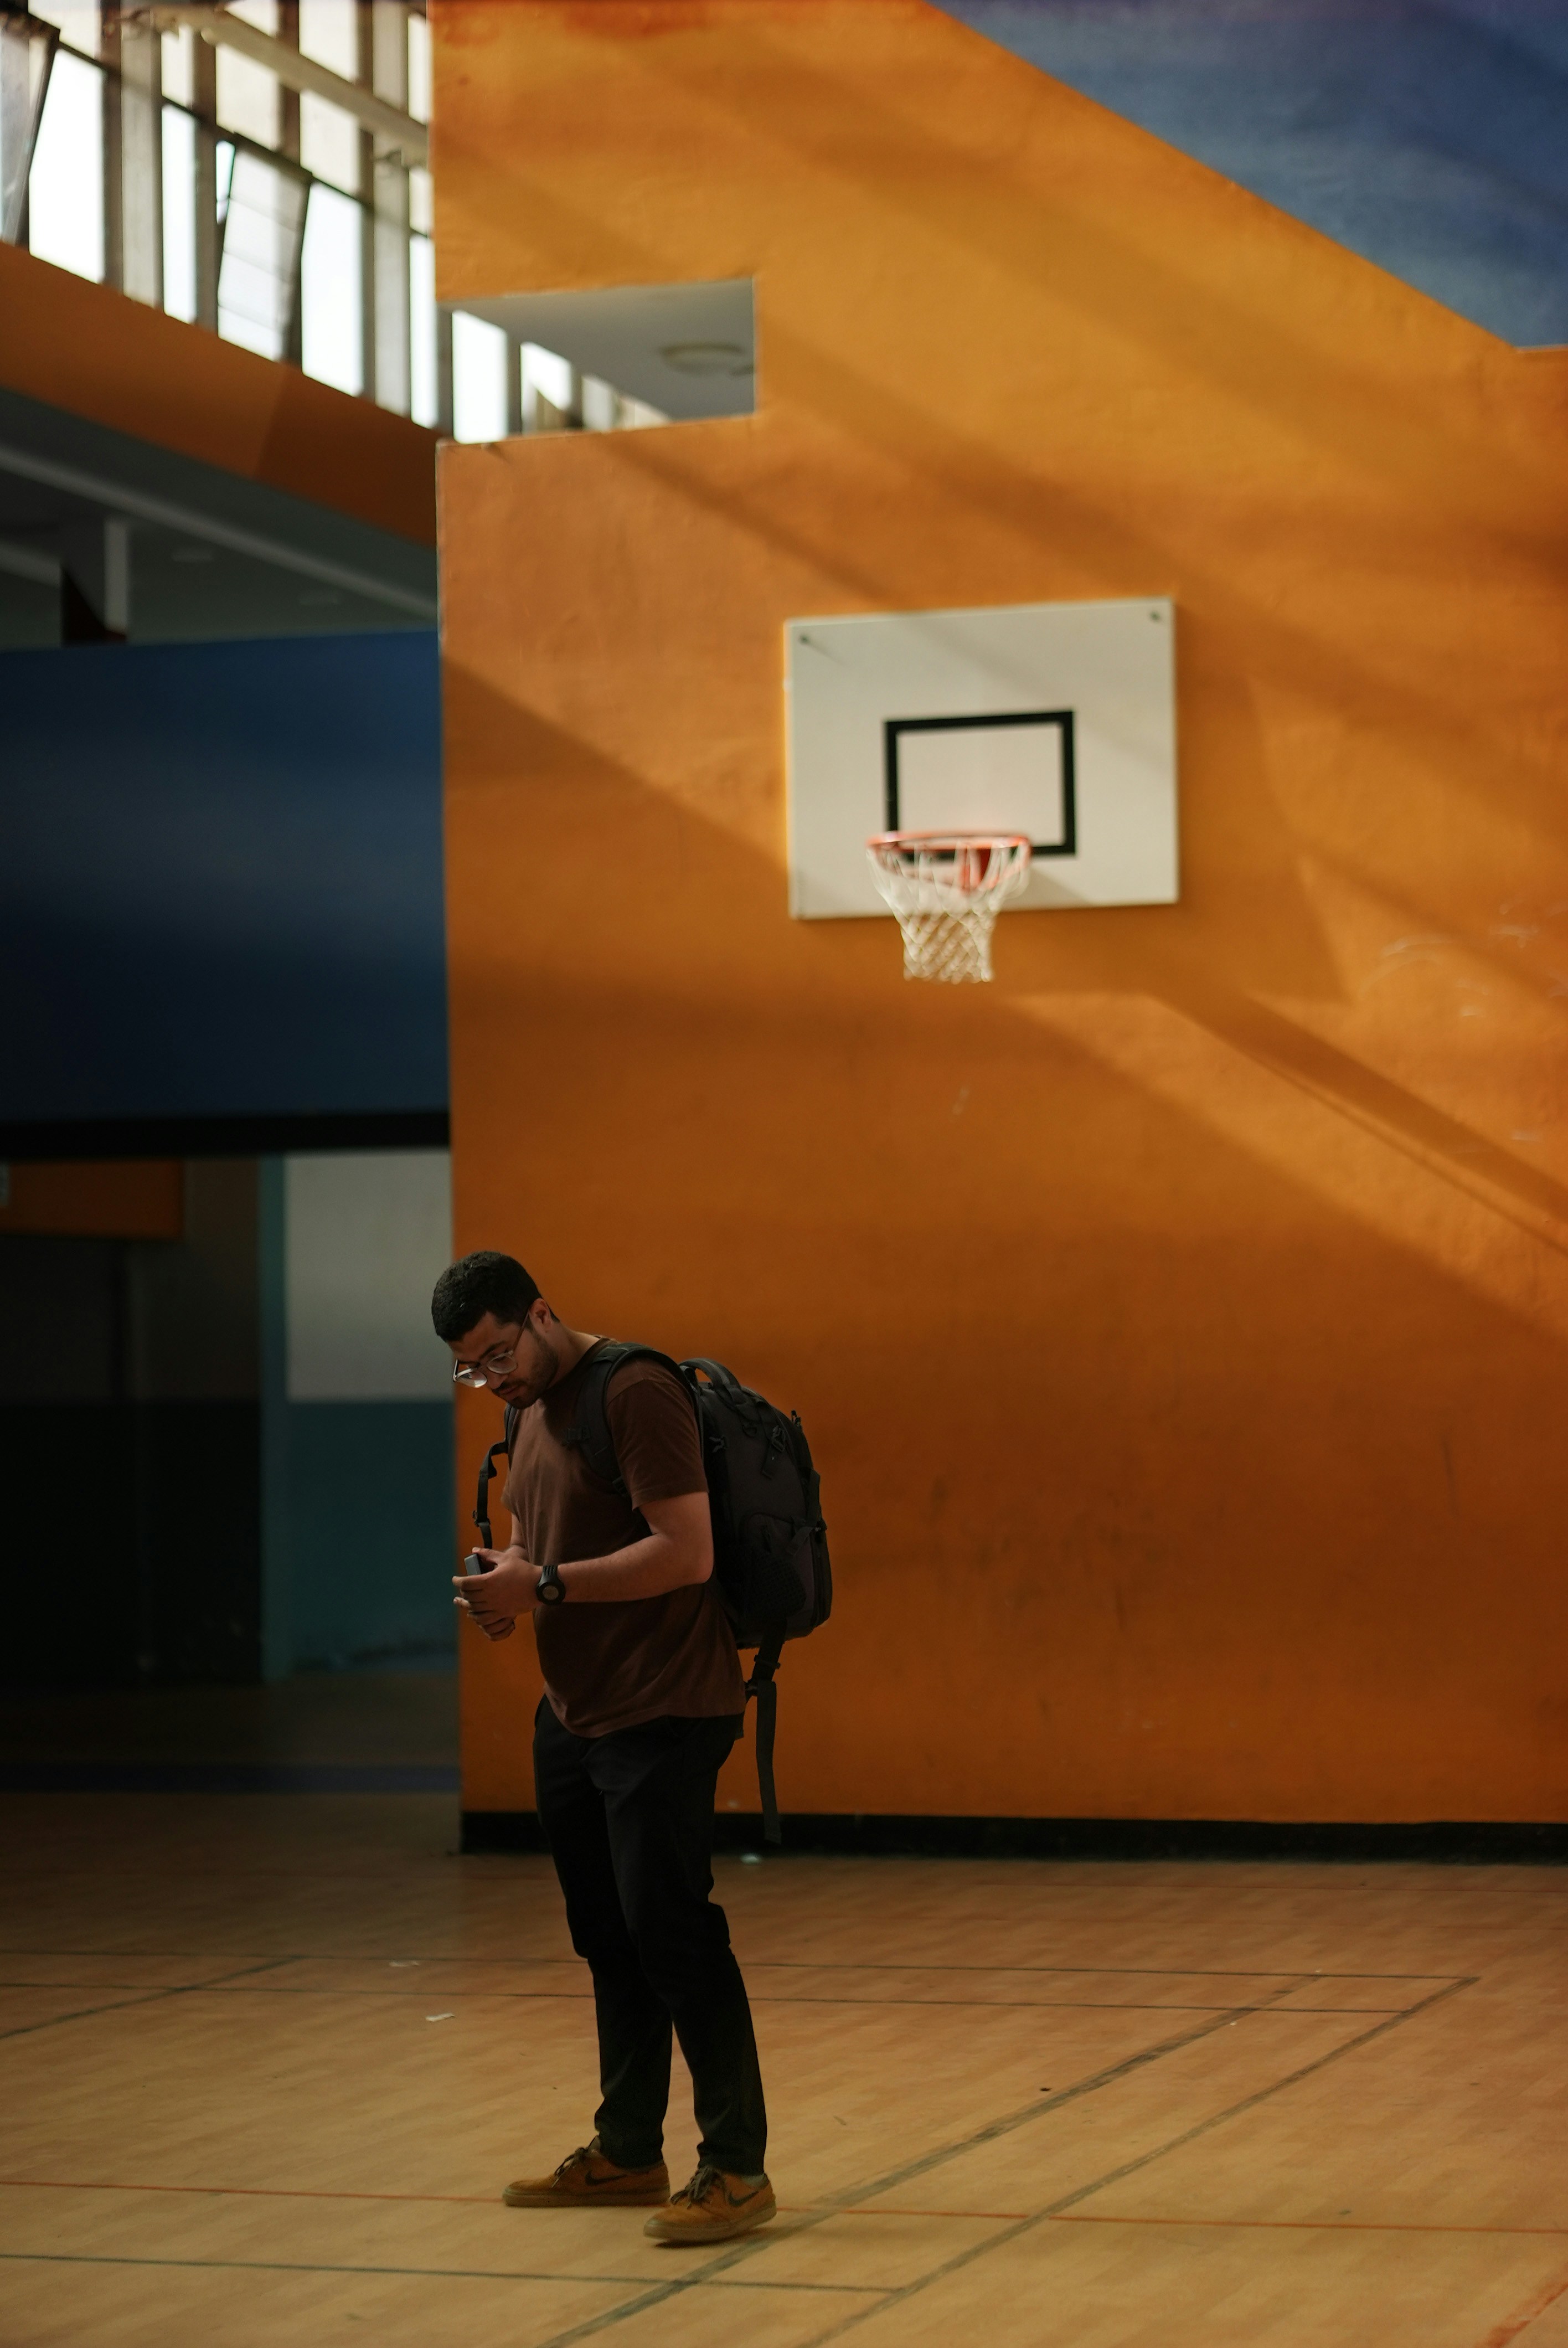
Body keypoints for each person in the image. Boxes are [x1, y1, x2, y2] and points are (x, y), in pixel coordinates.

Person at [430, 1249, 774, 2246]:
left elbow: (687, 1552)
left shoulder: (633, 1390)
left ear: (540, 1313)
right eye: (473, 1369)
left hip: (666, 1705)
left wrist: (540, 1588)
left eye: (499, 1352)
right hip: (577, 1712)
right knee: (607, 1938)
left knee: (674, 1931)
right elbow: (561, 1551)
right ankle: (629, 2147)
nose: (493, 1377)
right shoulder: (528, 1408)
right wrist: (515, 1572)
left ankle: (738, 2167)